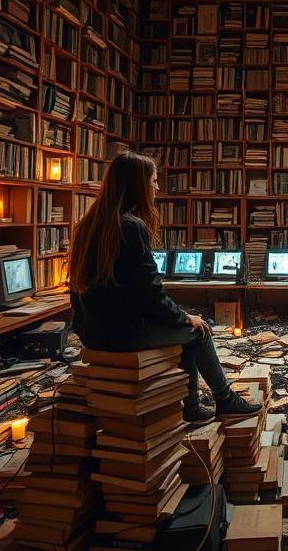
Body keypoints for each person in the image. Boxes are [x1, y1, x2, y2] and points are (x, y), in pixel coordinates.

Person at [69, 150, 260, 423]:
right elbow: (152, 295)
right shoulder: (132, 227)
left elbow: (75, 288)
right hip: (125, 333)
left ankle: (192, 406)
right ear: (138, 184)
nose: (157, 187)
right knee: (200, 330)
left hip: (93, 333)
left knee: (187, 328)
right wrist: (185, 317)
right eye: (154, 180)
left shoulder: (87, 226)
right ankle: (224, 400)